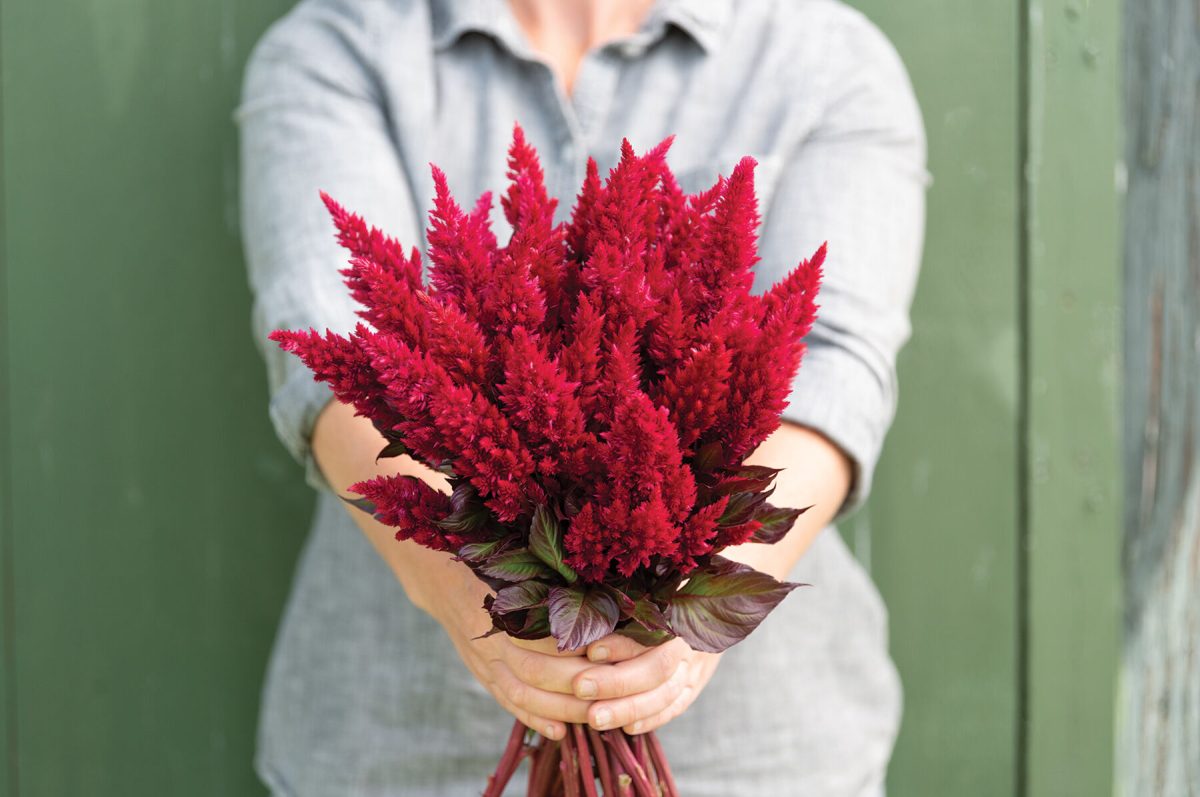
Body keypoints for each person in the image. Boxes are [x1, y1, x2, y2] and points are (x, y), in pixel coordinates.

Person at [236, 0, 928, 794]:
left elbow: (836, 363)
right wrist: (473, 600)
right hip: (405, 749)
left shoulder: (822, 56)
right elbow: (326, 345)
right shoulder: (344, 45)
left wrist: (693, 607)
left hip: (756, 758)